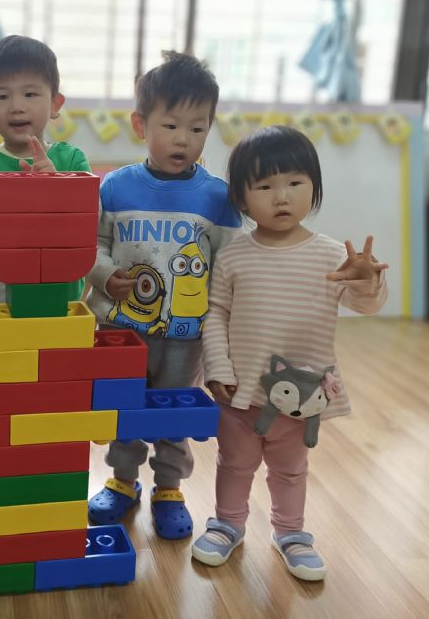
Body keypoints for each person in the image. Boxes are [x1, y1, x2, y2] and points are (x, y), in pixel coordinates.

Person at [192, 125, 388, 581]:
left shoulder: (331, 256)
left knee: (290, 470)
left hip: (301, 398)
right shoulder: (235, 256)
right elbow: (215, 313)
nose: (281, 197)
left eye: (295, 182)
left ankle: (291, 533)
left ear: (314, 187)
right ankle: (227, 524)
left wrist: (367, 281)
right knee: (235, 463)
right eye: (264, 186)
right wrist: (217, 367)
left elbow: (366, 305)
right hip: (240, 391)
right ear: (242, 199)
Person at [85, 51, 241, 540]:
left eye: (197, 128)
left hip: (185, 335)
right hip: (121, 331)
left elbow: (230, 264)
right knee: (125, 407)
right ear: (141, 124)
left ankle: (169, 488)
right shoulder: (115, 187)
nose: (183, 139)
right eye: (170, 125)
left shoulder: (218, 197)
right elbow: (93, 245)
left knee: (174, 410)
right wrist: (106, 276)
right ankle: (122, 479)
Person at [0, 35, 91, 307]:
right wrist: (1, 306)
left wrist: (55, 188)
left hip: (63, 299)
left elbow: (88, 231)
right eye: (2, 96)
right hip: (0, 305)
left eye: (30, 94)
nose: (16, 106)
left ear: (55, 104)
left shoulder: (73, 161)